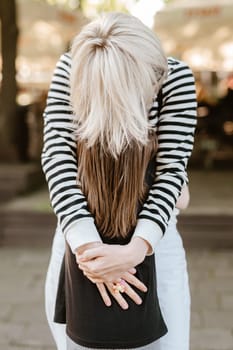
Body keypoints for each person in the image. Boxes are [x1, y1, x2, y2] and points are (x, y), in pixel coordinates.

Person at [42, 12, 197, 350]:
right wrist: (89, 249)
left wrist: (135, 251)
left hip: (154, 236)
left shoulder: (172, 77)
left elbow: (171, 170)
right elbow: (58, 160)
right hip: (78, 233)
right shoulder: (71, 71)